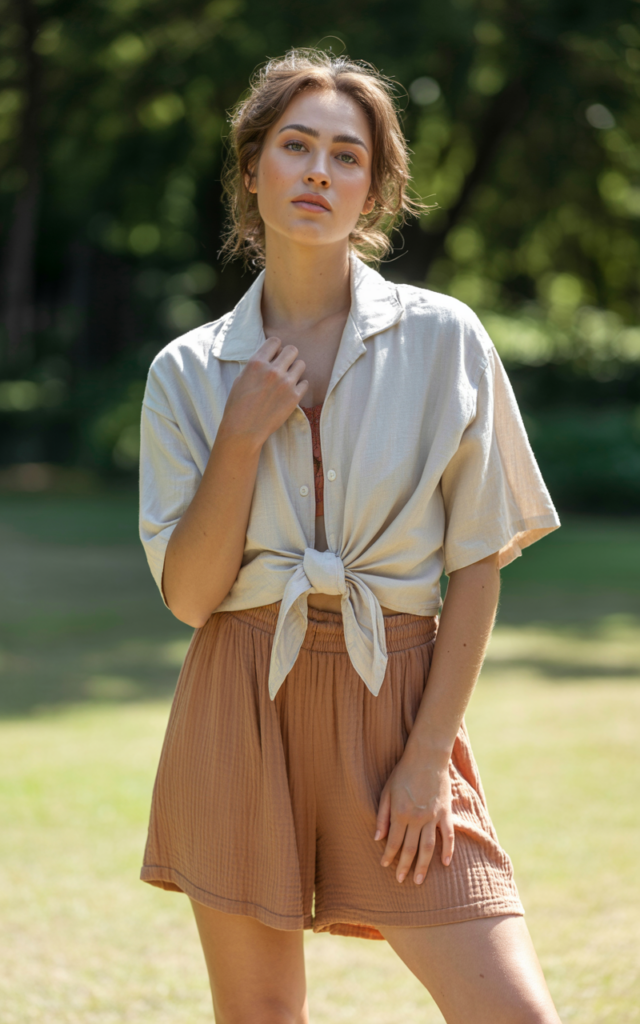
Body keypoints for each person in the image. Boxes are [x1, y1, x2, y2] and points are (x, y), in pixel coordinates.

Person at [139, 48, 563, 1024]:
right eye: (295, 147)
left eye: (346, 155)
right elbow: (191, 596)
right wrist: (240, 436)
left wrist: (423, 762)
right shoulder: (187, 374)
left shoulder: (445, 338)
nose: (318, 172)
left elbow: (478, 568)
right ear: (254, 168)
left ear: (374, 186)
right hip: (238, 704)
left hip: (399, 706)